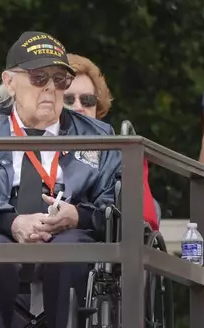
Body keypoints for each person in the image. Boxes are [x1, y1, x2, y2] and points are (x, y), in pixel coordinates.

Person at [0, 32, 121, 328]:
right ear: (10, 81)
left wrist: (78, 216)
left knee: (72, 251)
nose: (51, 88)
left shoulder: (98, 135)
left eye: (60, 80)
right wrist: (10, 221)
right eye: (39, 78)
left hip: (69, 227)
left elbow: (115, 200)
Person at [65, 54, 160, 230]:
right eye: (68, 100)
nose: (78, 106)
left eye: (87, 100)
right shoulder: (37, 144)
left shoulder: (116, 151)